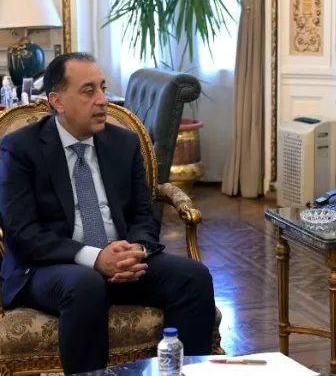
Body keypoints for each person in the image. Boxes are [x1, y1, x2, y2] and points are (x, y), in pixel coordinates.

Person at [0, 53, 216, 374]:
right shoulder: (20, 148)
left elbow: (143, 214)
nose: (102, 100)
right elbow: (24, 234)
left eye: (102, 88)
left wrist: (136, 250)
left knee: (194, 277)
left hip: (121, 261)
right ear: (57, 101)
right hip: (49, 267)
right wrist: (96, 257)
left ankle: (184, 372)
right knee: (86, 283)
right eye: (88, 91)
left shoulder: (123, 143)